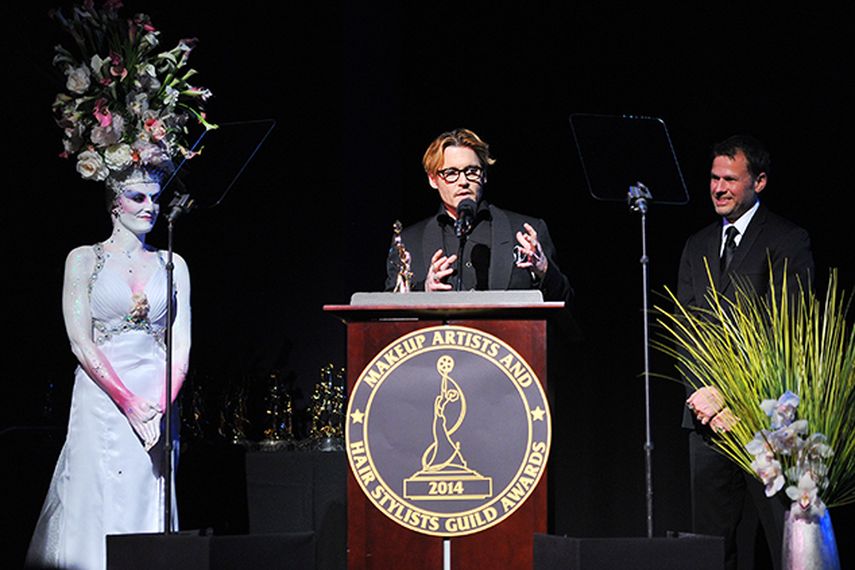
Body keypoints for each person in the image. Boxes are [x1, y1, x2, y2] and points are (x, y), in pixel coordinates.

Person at [25, 167, 191, 570]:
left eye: (155, 198)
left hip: (157, 397)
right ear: (115, 203)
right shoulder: (84, 259)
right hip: (104, 397)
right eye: (138, 197)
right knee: (96, 494)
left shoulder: (173, 264)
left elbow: (182, 343)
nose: (150, 207)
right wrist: (129, 402)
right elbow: (80, 341)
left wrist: (160, 405)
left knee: (148, 492)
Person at [677, 135, 814, 570]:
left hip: (765, 420)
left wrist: (734, 399)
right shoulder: (697, 245)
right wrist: (703, 395)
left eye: (730, 180)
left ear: (759, 181)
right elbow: (685, 331)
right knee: (712, 549)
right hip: (707, 423)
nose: (718, 188)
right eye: (714, 178)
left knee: (782, 541)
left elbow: (788, 332)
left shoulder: (787, 240)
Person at [385, 128, 572, 302]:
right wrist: (424, 292)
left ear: (484, 176)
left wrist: (544, 271)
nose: (463, 181)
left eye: (472, 171)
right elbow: (389, 311)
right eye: (451, 173)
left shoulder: (525, 232)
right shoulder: (409, 242)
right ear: (433, 179)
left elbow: (566, 304)